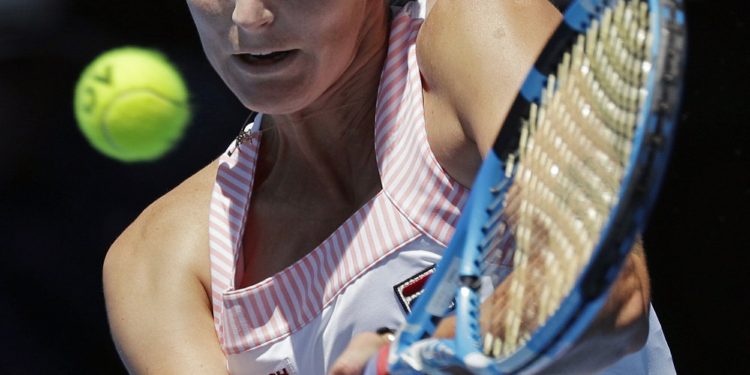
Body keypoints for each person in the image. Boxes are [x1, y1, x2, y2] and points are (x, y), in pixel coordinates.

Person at [102, 0, 675, 374]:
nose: (248, 17)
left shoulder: (479, 28)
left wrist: (424, 356)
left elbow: (608, 294)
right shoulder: (158, 261)